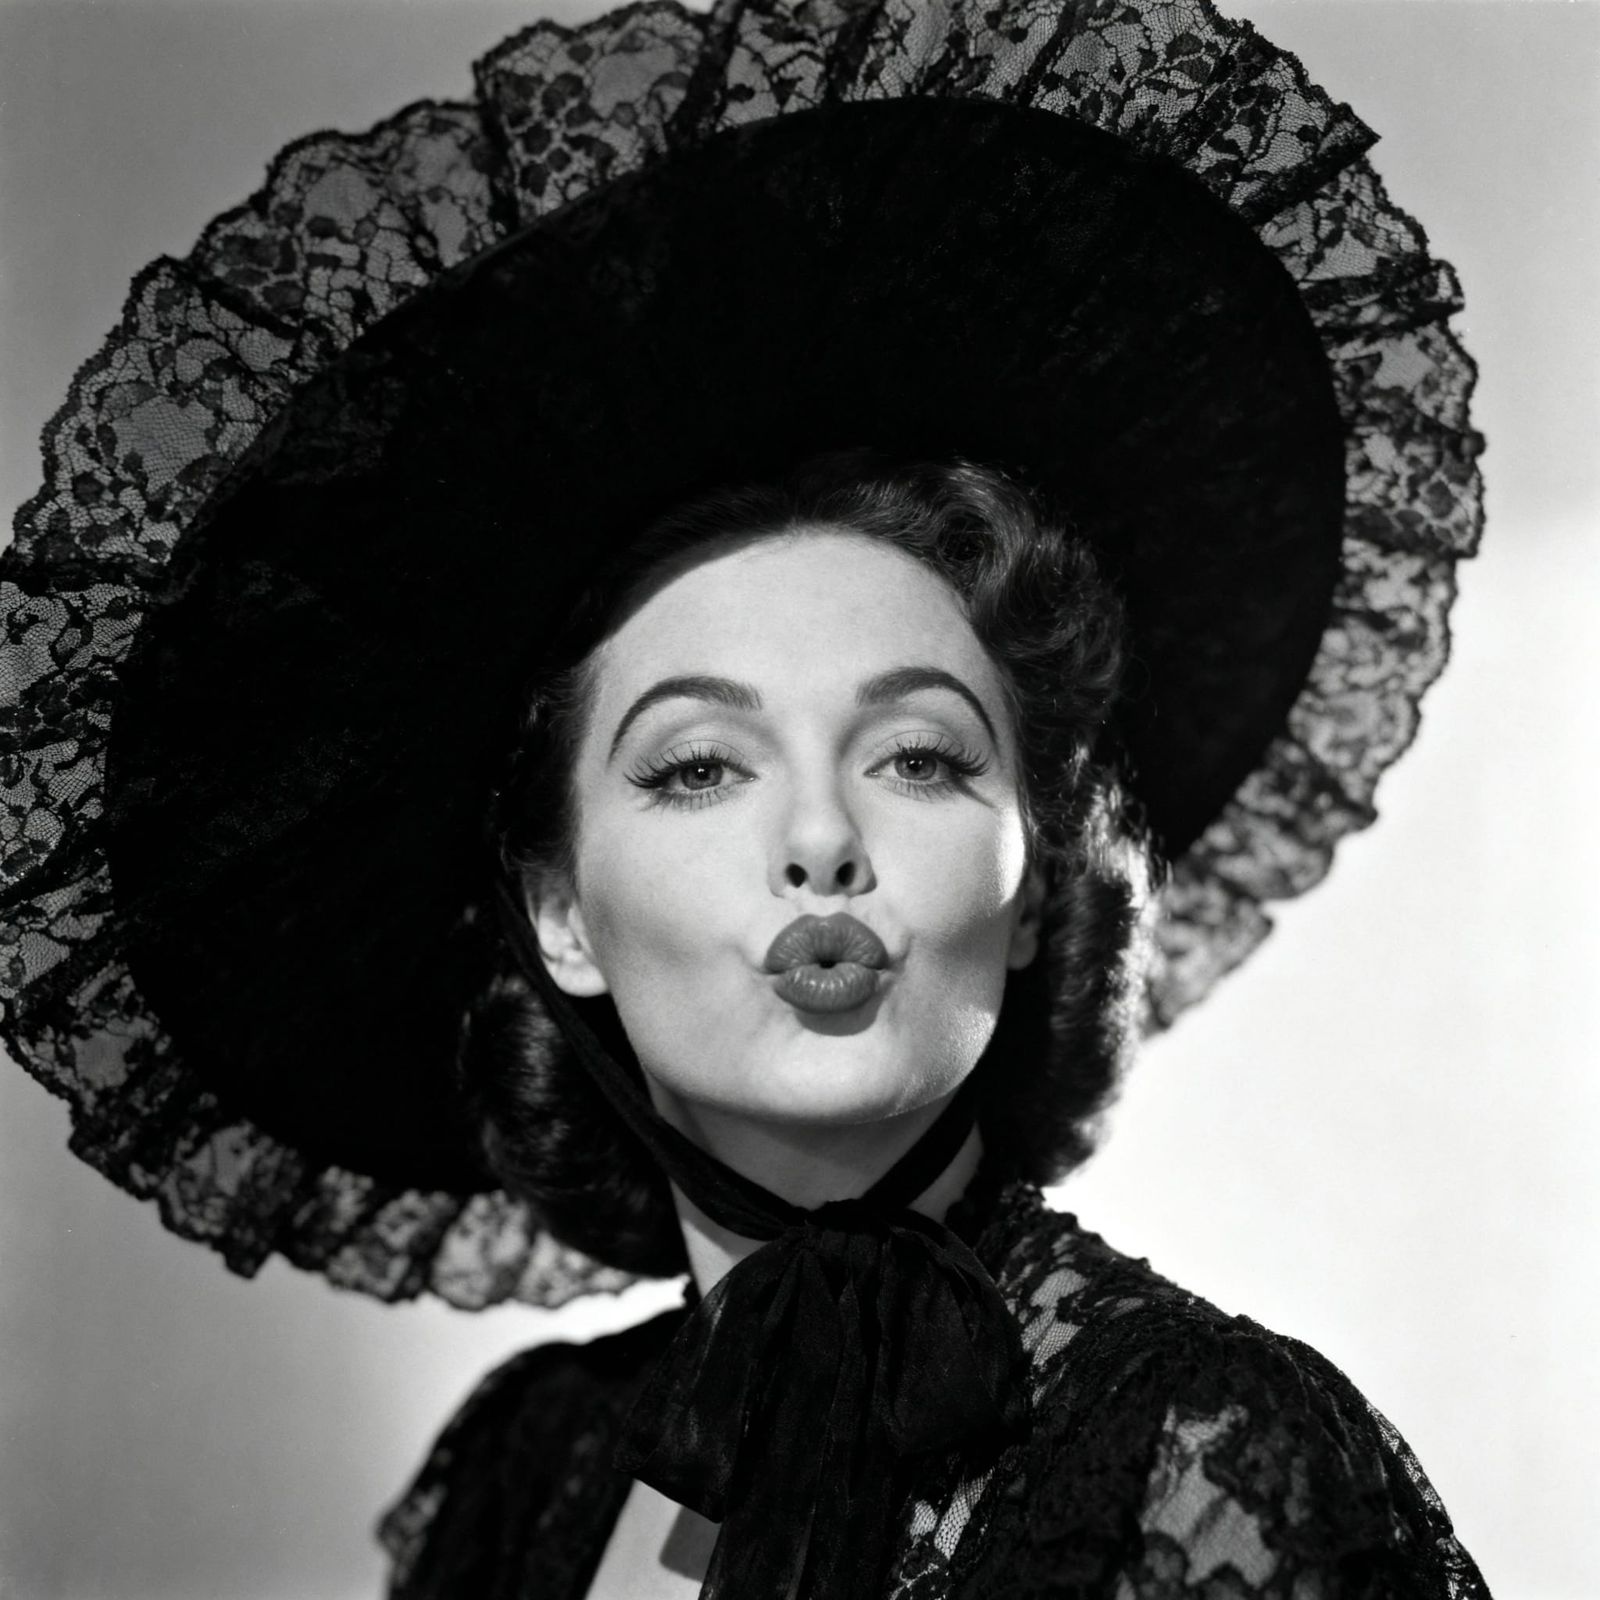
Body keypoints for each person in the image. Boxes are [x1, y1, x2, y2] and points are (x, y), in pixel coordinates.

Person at [0, 2, 1490, 1597]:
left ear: (1041, 877)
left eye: (919, 756)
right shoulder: (530, 1476)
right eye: (699, 766)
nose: (822, 839)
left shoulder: (1212, 1450)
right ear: (560, 911)